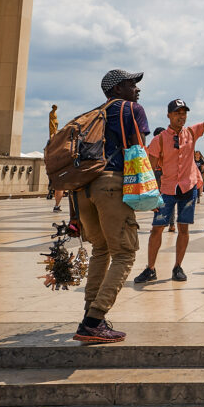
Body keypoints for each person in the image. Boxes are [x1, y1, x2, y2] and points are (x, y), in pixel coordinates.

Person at [73, 69, 148, 343]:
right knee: (125, 254)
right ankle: (94, 320)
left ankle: (89, 316)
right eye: (132, 84)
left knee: (101, 249)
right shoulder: (132, 109)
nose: (137, 89)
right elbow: (139, 150)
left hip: (83, 188)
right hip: (111, 184)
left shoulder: (94, 114)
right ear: (117, 89)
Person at [135, 97, 204, 285]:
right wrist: (150, 195)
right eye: (177, 113)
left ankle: (178, 267)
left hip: (188, 187)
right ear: (168, 115)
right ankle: (150, 268)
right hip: (167, 190)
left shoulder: (192, 133)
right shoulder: (159, 139)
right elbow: (150, 170)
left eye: (184, 113)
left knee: (183, 228)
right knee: (157, 229)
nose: (181, 116)